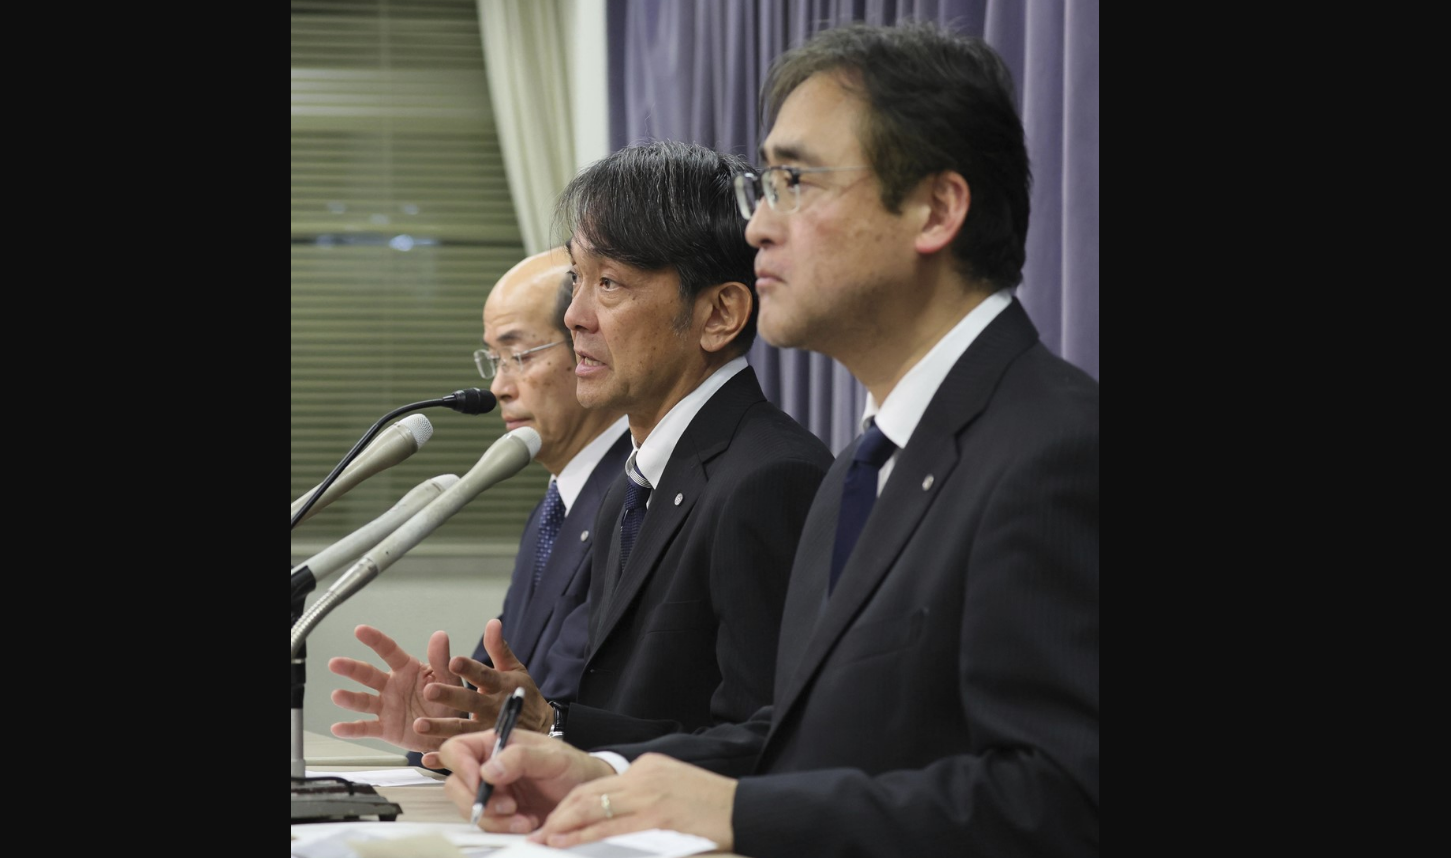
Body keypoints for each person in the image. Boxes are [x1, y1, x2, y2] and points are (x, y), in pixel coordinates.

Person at [434, 21, 1100, 858]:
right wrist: (601, 773)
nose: (756, 230)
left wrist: (742, 817)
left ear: (935, 209)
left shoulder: (1056, 450)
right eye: (763, 189)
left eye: (792, 182)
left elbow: (1061, 803)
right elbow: (794, 741)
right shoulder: (860, 473)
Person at [414, 139, 832, 753]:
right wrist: (535, 724)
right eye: (576, 280)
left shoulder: (771, 477)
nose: (575, 317)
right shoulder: (634, 485)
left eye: (609, 283)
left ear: (720, 314)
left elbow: (768, 744)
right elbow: (632, 714)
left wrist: (560, 734)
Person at [323, 248, 630, 754]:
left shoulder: (636, 498)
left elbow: (567, 706)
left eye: (519, 355)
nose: (498, 386)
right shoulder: (554, 509)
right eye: (493, 359)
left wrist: (485, 731)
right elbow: (504, 682)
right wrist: (444, 721)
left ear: (588, 343)